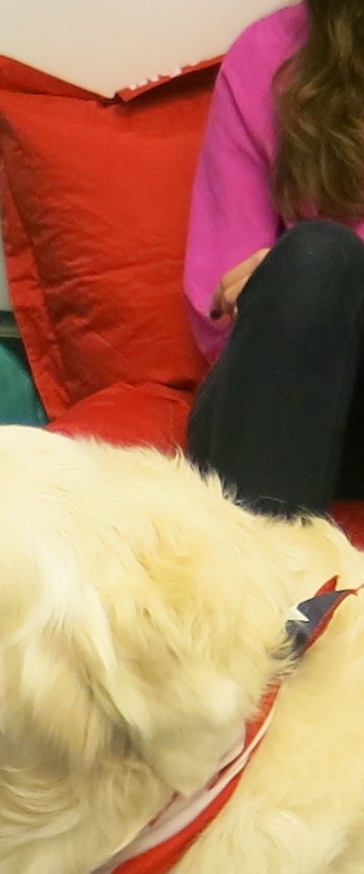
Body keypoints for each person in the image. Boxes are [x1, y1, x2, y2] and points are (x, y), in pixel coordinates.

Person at [185, 0, 364, 517]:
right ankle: (260, 585)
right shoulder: (270, 54)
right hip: (279, 396)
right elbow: (219, 309)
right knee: (318, 256)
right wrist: (285, 276)